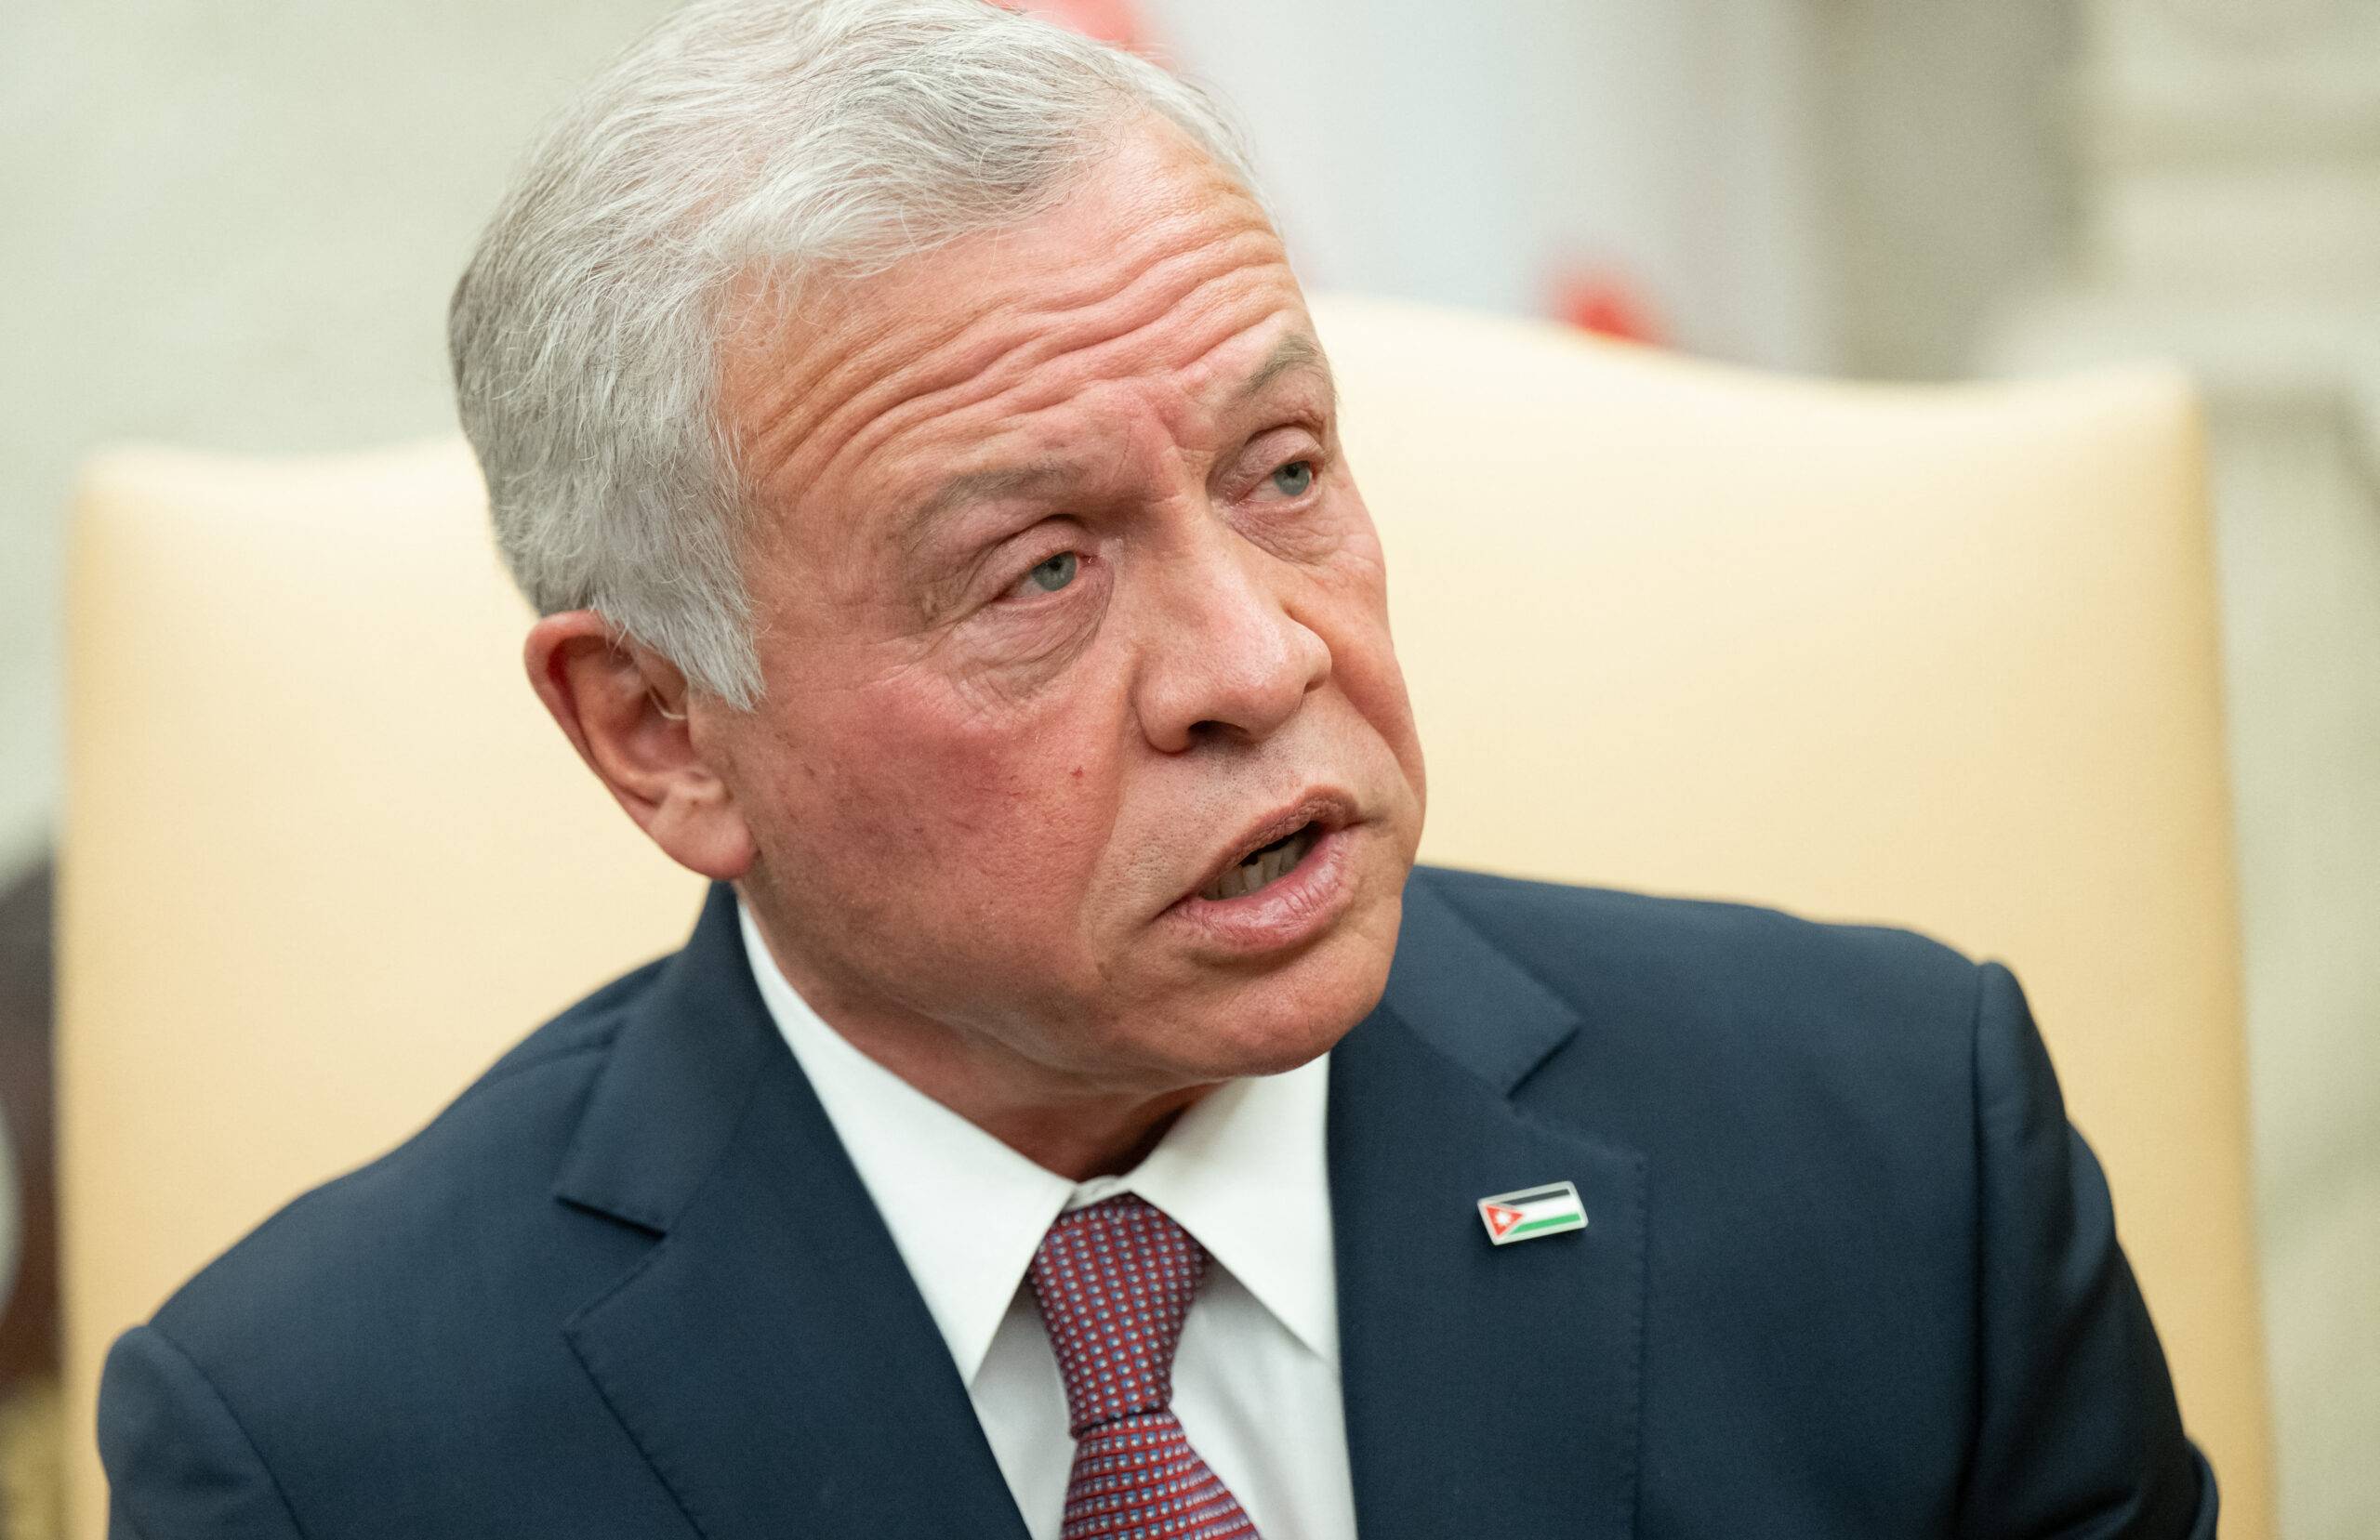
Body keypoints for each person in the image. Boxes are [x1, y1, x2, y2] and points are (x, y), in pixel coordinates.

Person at [97, 2, 2216, 1535]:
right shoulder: (326, 1448)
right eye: (1036, 571)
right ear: (660, 730)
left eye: (1280, 469)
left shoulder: (1894, 1160)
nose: (1259, 657)